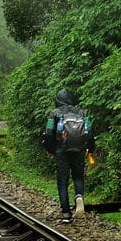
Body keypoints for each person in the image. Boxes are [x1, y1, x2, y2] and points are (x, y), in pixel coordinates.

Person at [42, 88, 95, 223]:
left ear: (58, 100)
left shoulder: (55, 113)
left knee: (62, 180)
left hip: (61, 151)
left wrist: (50, 149)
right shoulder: (81, 112)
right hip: (79, 150)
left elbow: (48, 133)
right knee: (78, 176)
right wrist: (90, 149)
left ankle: (66, 213)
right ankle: (78, 196)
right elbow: (90, 131)